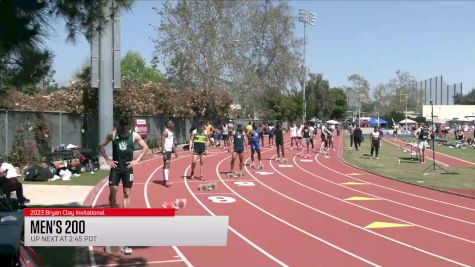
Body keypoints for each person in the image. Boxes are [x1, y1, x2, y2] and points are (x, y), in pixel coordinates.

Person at [98, 118, 148, 255]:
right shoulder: (112, 135)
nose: (124, 130)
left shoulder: (134, 135)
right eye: (122, 127)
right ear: (119, 126)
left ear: (128, 127)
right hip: (115, 169)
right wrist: (107, 159)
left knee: (127, 193)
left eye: (126, 128)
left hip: (127, 169)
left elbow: (145, 147)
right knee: (113, 191)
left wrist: (137, 160)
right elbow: (100, 145)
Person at [161, 120, 178, 187]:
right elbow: (162, 142)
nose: (172, 123)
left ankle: (165, 180)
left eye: (172, 122)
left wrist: (175, 151)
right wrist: (164, 152)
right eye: (170, 123)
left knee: (167, 165)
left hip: (170, 150)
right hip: (166, 150)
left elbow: (172, 143)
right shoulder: (165, 131)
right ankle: (166, 181)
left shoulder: (171, 132)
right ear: (168, 125)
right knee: (167, 164)